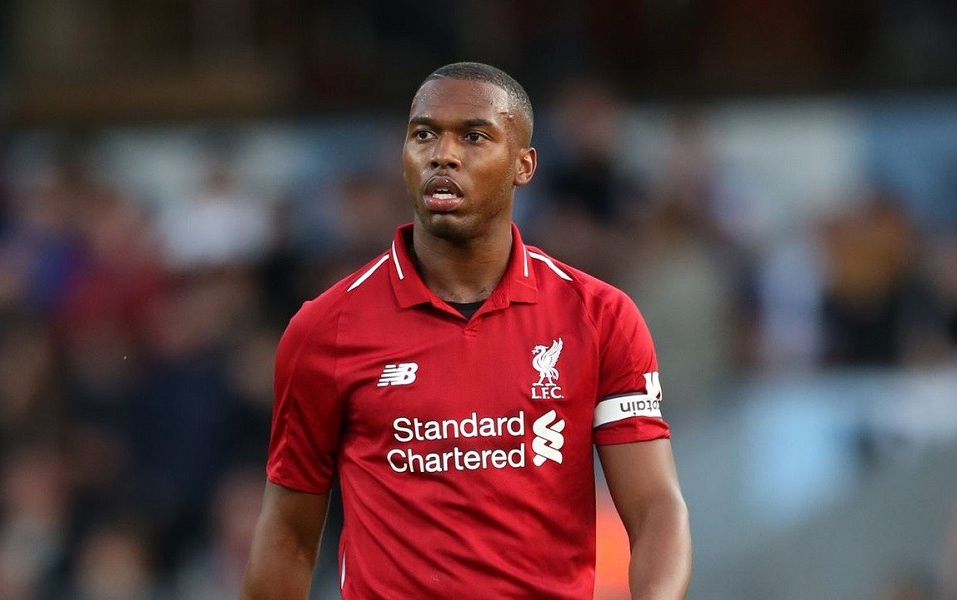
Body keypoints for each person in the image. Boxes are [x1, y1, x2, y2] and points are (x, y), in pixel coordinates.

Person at [240, 62, 692, 599]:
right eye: (423, 134)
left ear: (524, 165)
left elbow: (656, 509)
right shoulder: (325, 329)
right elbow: (289, 537)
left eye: (474, 136)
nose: (443, 154)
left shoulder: (599, 317)